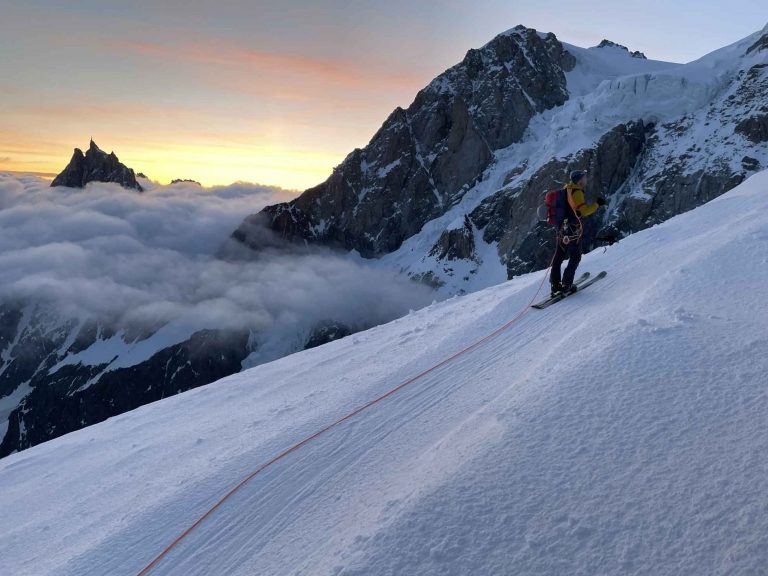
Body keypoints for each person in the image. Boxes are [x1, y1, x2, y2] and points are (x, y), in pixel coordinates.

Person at [550, 170, 606, 297]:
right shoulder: (577, 192)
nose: (586, 179)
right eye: (584, 177)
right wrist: (597, 204)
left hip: (560, 229)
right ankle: (566, 285)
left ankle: (555, 285)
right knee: (575, 256)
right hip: (572, 229)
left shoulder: (565, 191)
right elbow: (584, 211)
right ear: (580, 180)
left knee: (559, 256)